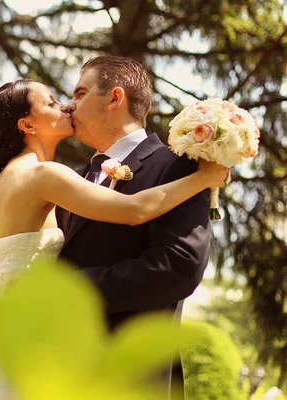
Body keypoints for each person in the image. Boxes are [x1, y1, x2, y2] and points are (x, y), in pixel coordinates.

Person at [0, 78, 228, 400]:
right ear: (27, 124)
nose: (66, 106)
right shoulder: (45, 175)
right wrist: (203, 178)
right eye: (52, 103)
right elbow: (135, 209)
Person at [56, 55, 213, 398]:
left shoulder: (177, 168)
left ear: (115, 98)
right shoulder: (75, 178)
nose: (70, 106)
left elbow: (177, 267)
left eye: (80, 94)